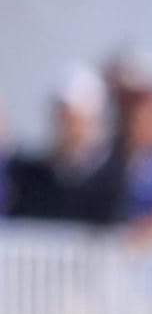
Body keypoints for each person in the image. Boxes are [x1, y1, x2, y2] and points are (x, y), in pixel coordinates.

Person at [6, 66, 128, 226]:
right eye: (61, 115)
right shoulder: (29, 174)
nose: (66, 125)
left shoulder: (116, 178)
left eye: (73, 117)